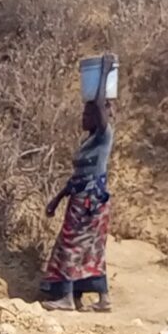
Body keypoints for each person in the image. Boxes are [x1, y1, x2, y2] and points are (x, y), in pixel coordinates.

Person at [40, 99, 114, 312]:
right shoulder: (89, 142)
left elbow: (102, 116)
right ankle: (104, 298)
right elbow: (77, 177)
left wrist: (100, 88)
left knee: (70, 246)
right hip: (83, 201)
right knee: (92, 248)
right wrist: (57, 199)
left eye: (87, 115)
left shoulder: (104, 136)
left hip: (90, 204)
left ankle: (67, 298)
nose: (83, 118)